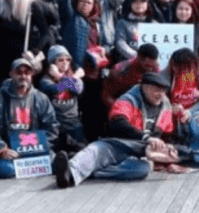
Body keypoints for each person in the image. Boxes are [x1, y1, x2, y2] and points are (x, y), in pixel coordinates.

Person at [0, 58, 59, 178]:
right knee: (5, 169)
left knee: (53, 160)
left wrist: (40, 146)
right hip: (10, 152)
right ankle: (32, 169)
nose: (23, 76)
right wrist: (2, 149)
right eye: (19, 72)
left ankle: (31, 167)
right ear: (11, 74)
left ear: (31, 75)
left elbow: (52, 127)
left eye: (27, 73)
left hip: (34, 150)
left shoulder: (41, 98)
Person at [52, 137, 183, 188]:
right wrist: (146, 138)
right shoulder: (128, 101)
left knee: (144, 169)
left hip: (140, 156)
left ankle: (87, 171)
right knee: (96, 151)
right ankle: (67, 176)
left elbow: (169, 136)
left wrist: (169, 157)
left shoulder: (164, 107)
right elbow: (119, 125)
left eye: (162, 90)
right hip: (117, 145)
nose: (158, 93)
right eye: (155, 89)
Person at [0, 0, 53, 82]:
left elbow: (46, 34)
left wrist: (35, 51)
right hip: (3, 62)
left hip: (24, 61)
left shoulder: (31, 7)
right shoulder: (1, 10)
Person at [160, 48, 199, 161]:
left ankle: (197, 148)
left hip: (195, 110)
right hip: (172, 110)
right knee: (165, 122)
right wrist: (171, 107)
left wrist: (189, 112)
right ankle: (174, 149)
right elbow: (161, 97)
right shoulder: (167, 73)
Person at [38, 46, 86, 154]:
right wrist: (73, 77)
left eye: (68, 59)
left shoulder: (73, 78)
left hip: (73, 123)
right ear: (53, 63)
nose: (65, 63)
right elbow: (56, 88)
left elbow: (78, 90)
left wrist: (59, 76)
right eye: (60, 60)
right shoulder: (45, 80)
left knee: (83, 151)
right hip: (54, 125)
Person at [105, 72, 176, 143]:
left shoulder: (166, 106)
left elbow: (167, 133)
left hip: (151, 148)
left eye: (163, 91)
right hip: (125, 144)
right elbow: (117, 124)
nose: (161, 94)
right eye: (157, 90)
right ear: (145, 87)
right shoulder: (127, 100)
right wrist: (144, 137)